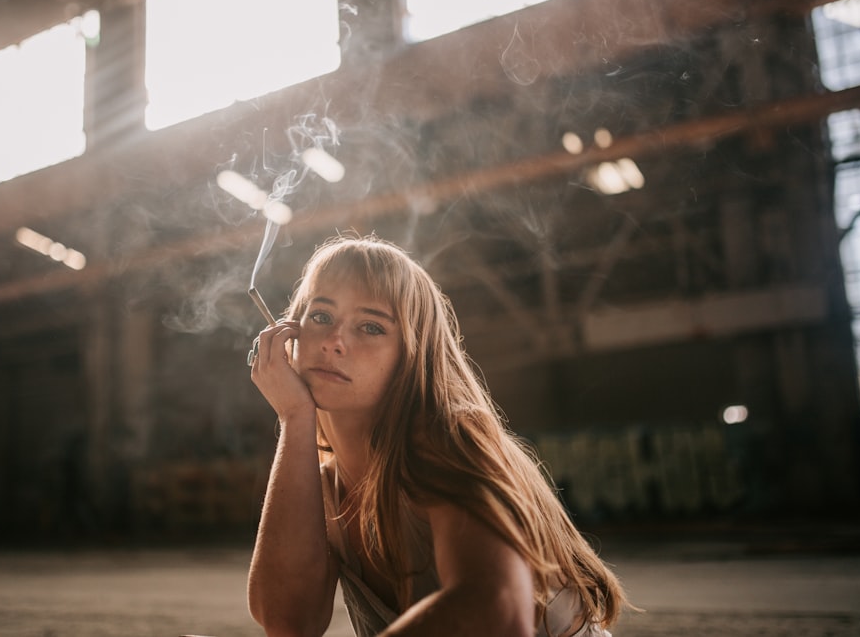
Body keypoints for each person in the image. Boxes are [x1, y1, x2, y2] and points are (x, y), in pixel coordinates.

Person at [246, 233, 629, 637]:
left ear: (411, 355)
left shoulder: (448, 438)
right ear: (290, 333)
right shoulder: (323, 486)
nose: (334, 342)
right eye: (321, 316)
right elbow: (287, 623)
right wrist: (295, 417)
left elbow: (498, 611)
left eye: (371, 327)